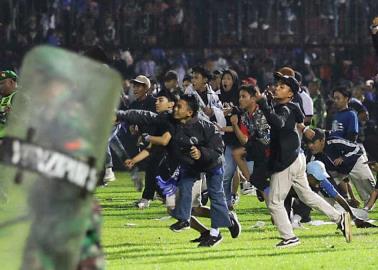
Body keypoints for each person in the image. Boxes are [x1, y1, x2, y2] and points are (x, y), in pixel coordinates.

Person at [254, 69, 352, 248]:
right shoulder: (288, 107)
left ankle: (289, 237)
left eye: (282, 87)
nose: (276, 88)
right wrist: (267, 102)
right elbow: (292, 119)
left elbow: (278, 122)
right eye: (277, 85)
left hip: (287, 160)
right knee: (306, 196)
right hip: (296, 158)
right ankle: (339, 218)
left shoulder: (285, 108)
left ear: (290, 93)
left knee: (275, 202)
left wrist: (263, 103)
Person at [306, 128, 376, 204]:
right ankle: (337, 205)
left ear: (322, 141)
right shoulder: (313, 156)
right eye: (308, 143)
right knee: (320, 183)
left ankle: (367, 205)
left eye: (313, 143)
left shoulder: (334, 141)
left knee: (371, 189)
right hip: (338, 170)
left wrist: (343, 158)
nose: (310, 146)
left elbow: (357, 148)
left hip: (355, 163)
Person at [0, 70, 18, 140]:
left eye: (1, 83)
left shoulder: (19, 97)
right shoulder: (4, 97)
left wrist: (10, 114)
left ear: (11, 82)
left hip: (6, 140)